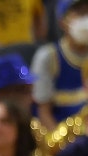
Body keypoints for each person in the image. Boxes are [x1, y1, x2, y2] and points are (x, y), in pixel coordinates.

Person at [31, 0, 88, 131]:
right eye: (80, 13)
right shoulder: (48, 57)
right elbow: (43, 113)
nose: (85, 18)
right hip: (63, 140)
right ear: (62, 21)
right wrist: (63, 147)